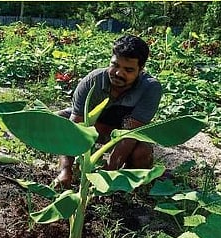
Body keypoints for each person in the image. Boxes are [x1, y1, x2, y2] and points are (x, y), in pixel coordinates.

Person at [55, 34, 162, 188]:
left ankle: (126, 186)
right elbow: (75, 128)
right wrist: (66, 171)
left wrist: (108, 174)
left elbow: (129, 135)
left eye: (128, 70)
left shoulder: (150, 88)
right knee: (60, 121)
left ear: (141, 69)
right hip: (93, 126)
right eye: (115, 65)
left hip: (121, 132)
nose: (119, 73)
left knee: (142, 154)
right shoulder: (93, 81)